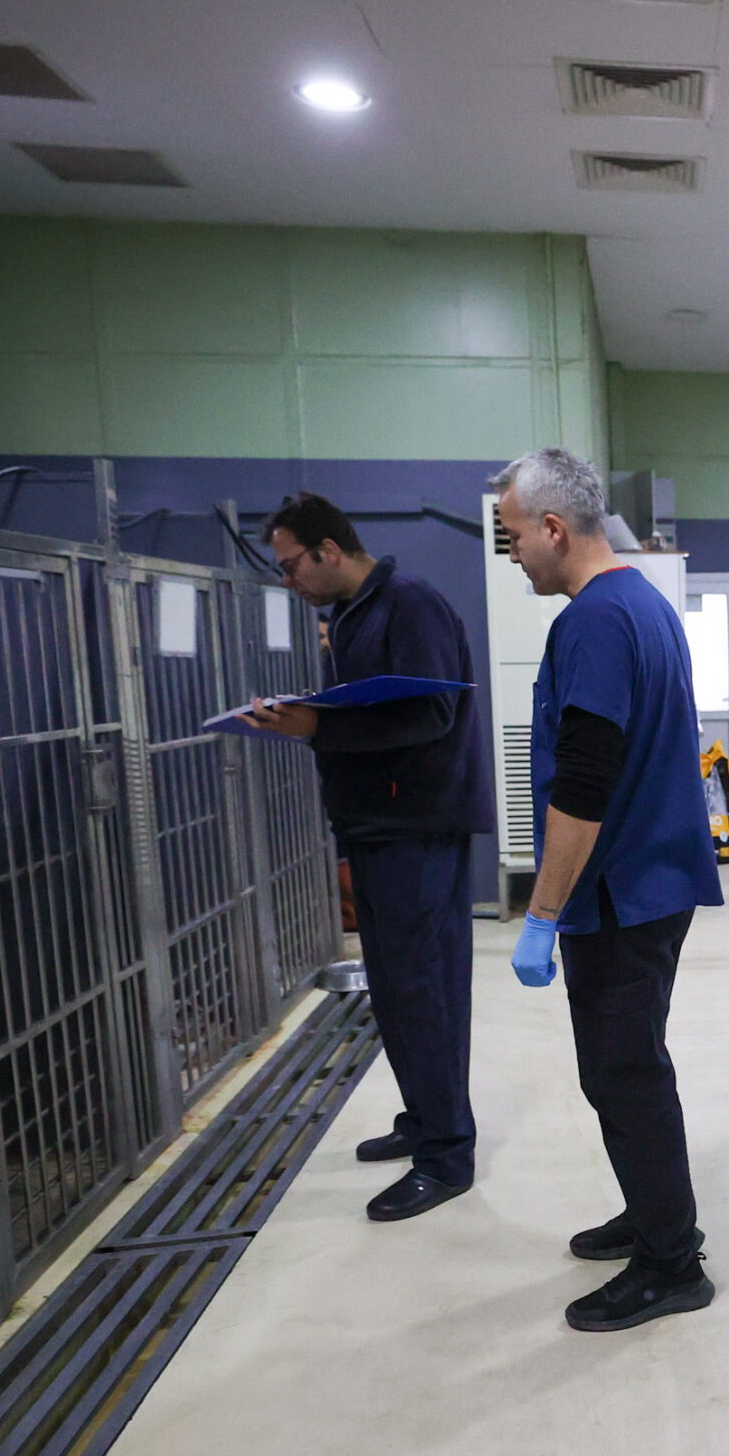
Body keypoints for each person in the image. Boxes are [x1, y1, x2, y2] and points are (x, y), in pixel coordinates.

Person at [493, 448, 724, 1332]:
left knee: (626, 1073)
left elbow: (583, 784)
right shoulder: (646, 605)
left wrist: (541, 914)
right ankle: (650, 1211)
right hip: (653, 881)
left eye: (514, 536)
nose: (512, 553)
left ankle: (674, 1262)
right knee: (622, 1069)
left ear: (554, 528)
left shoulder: (592, 622)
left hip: (621, 893)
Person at [248, 493, 489, 1222]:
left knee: (427, 989)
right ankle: (423, 1120)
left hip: (418, 824)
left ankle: (447, 1154)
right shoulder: (353, 616)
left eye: (291, 565)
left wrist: (317, 724)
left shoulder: (410, 605)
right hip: (377, 825)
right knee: (394, 989)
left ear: (328, 549)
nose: (288, 579)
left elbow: (429, 712)